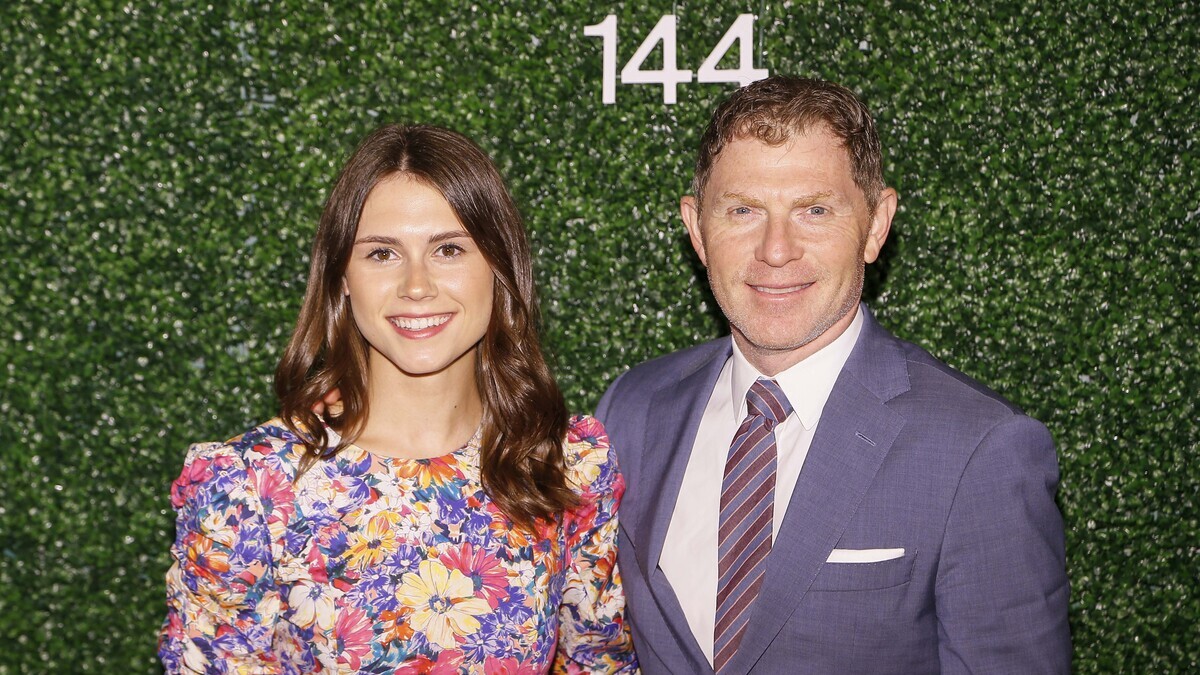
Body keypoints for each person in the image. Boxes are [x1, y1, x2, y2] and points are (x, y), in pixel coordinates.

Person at [596, 76, 1071, 674]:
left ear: (875, 225)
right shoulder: (632, 410)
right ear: (696, 229)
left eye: (814, 210)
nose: (776, 249)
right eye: (743, 210)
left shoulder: (978, 449)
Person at [159, 124, 637, 673]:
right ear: (341, 276)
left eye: (449, 249)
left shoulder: (566, 463)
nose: (416, 285)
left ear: (499, 269)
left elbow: (598, 663)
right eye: (382, 253)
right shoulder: (249, 487)